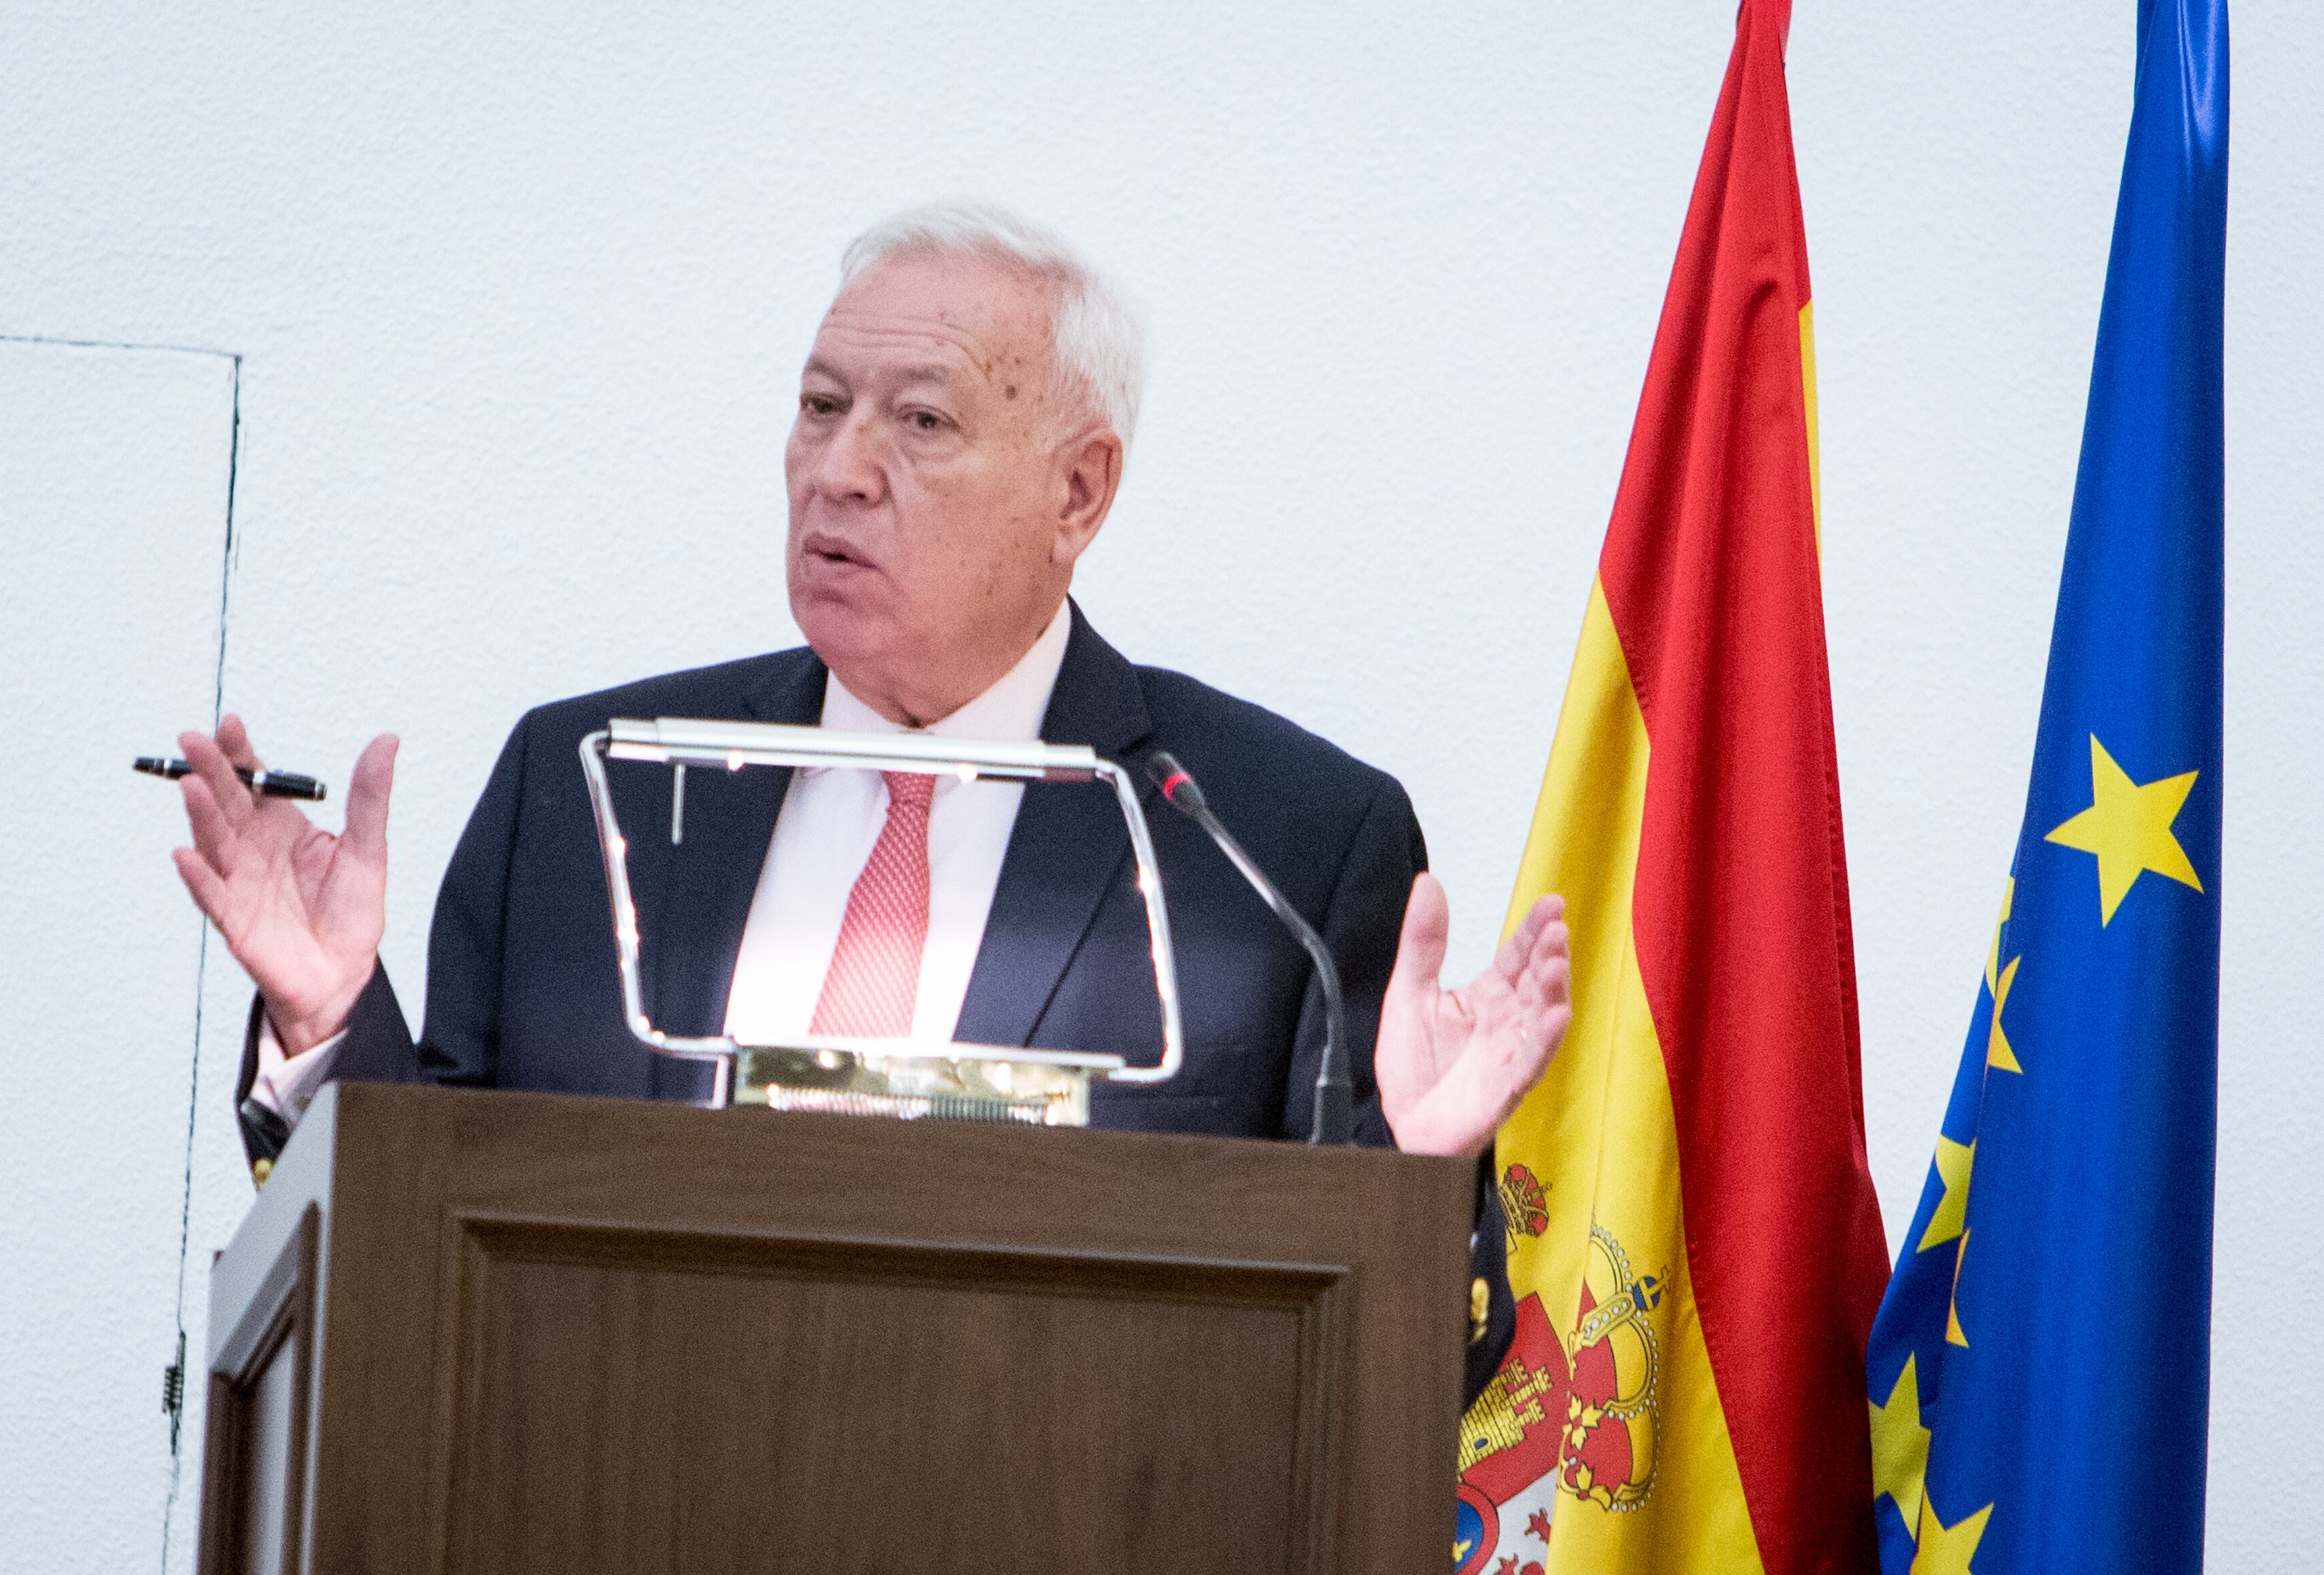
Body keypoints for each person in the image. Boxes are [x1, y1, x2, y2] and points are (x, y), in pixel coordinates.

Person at [169, 203, 1571, 1396]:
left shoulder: (1276, 844)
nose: (839, 471)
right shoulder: (586, 791)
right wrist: (326, 1016)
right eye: (820, 407)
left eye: (921, 421)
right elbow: (432, 1245)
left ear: (1077, 494)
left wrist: (1418, 1193)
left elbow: (1397, 1386)